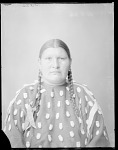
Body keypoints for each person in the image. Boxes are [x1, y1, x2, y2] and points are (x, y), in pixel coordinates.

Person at [3, 39, 110, 148]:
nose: (55, 65)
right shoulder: (25, 95)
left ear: (70, 62)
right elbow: (11, 139)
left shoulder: (84, 95)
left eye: (61, 59)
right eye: (48, 59)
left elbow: (99, 140)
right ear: (39, 63)